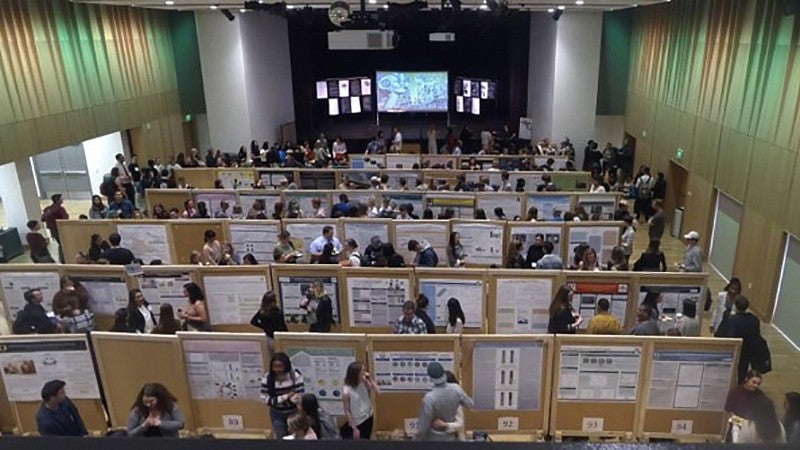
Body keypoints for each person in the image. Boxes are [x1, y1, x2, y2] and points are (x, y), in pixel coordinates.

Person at [414, 362, 474, 441]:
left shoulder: (429, 398)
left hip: (433, 440)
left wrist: (414, 441)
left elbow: (422, 428)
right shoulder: (456, 389)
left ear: (431, 378)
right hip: (450, 439)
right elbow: (470, 404)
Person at [719, 296, 763, 382]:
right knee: (743, 367)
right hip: (749, 348)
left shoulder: (733, 320)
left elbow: (729, 335)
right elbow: (756, 334)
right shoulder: (754, 319)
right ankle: (741, 383)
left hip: (736, 348)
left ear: (735, 306)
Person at [261, 352, 305, 439]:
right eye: (275, 366)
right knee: (281, 438)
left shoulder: (295, 376)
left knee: (296, 438)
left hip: (293, 413)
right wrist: (285, 397)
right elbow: (265, 399)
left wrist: (294, 399)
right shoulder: (267, 378)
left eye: (280, 366)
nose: (277, 369)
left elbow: (300, 395)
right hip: (277, 413)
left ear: (286, 365)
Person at [342, 361, 378, 440]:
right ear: (356, 373)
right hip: (358, 421)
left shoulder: (363, 382)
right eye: (363, 371)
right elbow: (347, 411)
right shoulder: (346, 390)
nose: (365, 373)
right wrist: (354, 428)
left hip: (368, 417)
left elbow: (377, 391)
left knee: (367, 439)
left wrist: (370, 379)